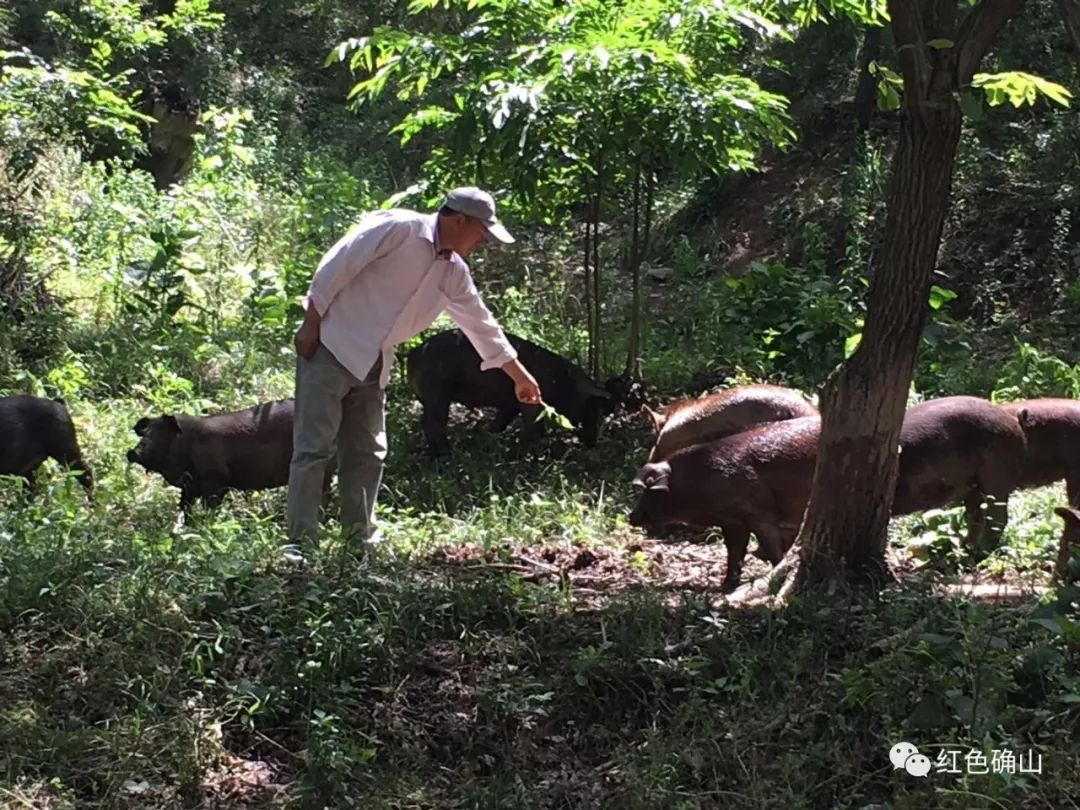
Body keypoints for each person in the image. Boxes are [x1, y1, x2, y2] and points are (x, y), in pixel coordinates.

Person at [285, 187, 542, 556]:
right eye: (480, 231)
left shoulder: (453, 271)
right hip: (332, 343)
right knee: (314, 448)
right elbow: (338, 264)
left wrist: (519, 375)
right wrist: (310, 324)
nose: (482, 240)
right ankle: (300, 543)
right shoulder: (401, 229)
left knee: (368, 451)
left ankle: (360, 540)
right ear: (459, 220)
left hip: (375, 359)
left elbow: (481, 324)